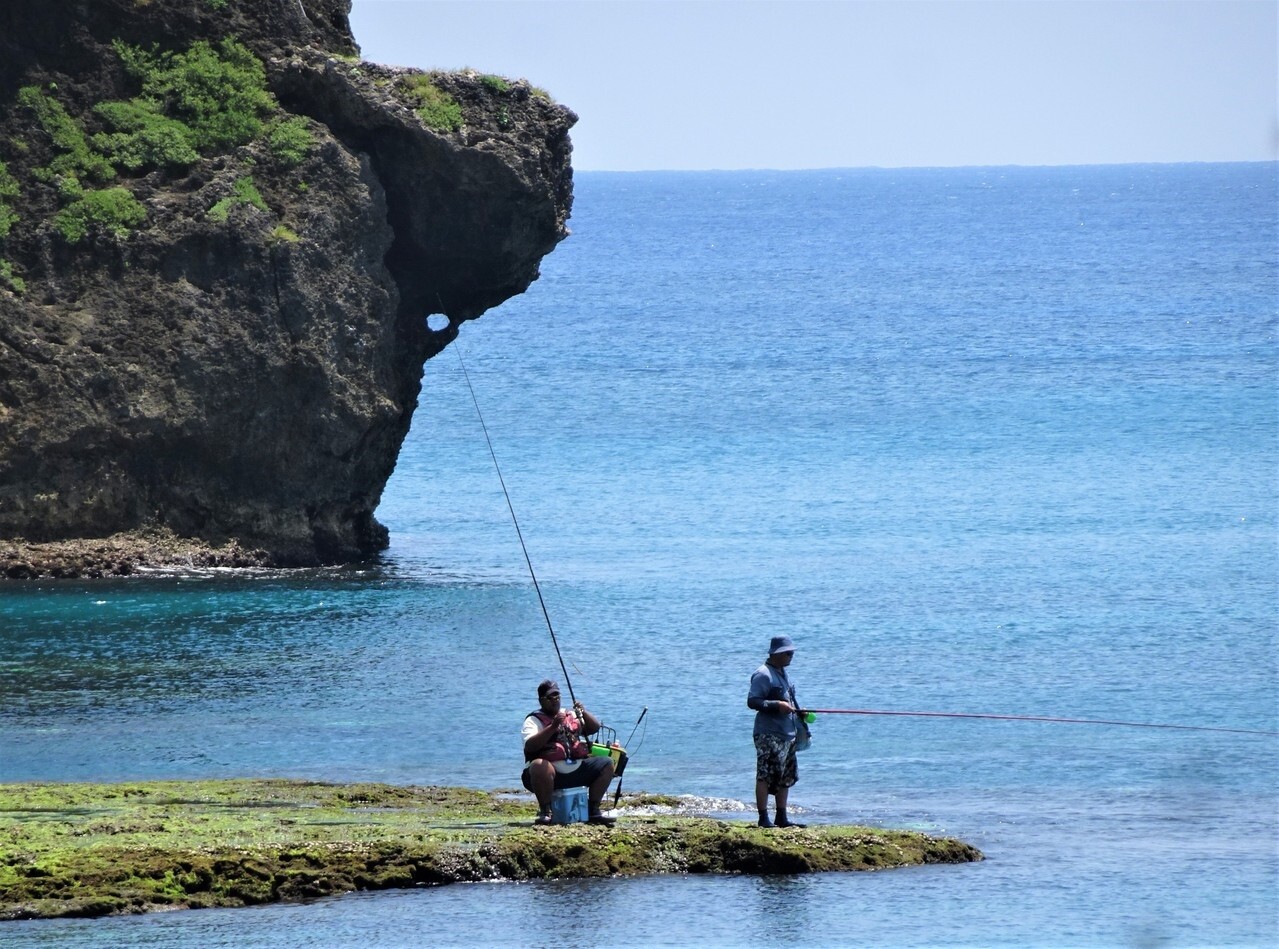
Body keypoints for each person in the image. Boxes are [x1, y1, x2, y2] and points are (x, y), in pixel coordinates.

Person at [521, 679, 617, 826]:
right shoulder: (533, 721)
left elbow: (594, 728)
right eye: (550, 698)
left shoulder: (568, 714)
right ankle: (546, 811)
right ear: (541, 700)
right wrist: (553, 727)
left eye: (557, 696)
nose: (555, 701)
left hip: (575, 770)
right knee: (539, 765)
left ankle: (593, 810)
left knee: (607, 763)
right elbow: (530, 746)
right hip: (549, 777)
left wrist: (583, 712)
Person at [746, 635, 807, 828]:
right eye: (788, 653)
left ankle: (781, 817)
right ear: (777, 654)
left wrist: (799, 711)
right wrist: (777, 705)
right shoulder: (763, 674)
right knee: (765, 774)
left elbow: (787, 700)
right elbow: (753, 701)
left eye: (792, 653)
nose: (791, 656)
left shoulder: (782, 672)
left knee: (786, 775)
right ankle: (763, 818)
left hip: (787, 734)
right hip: (768, 734)